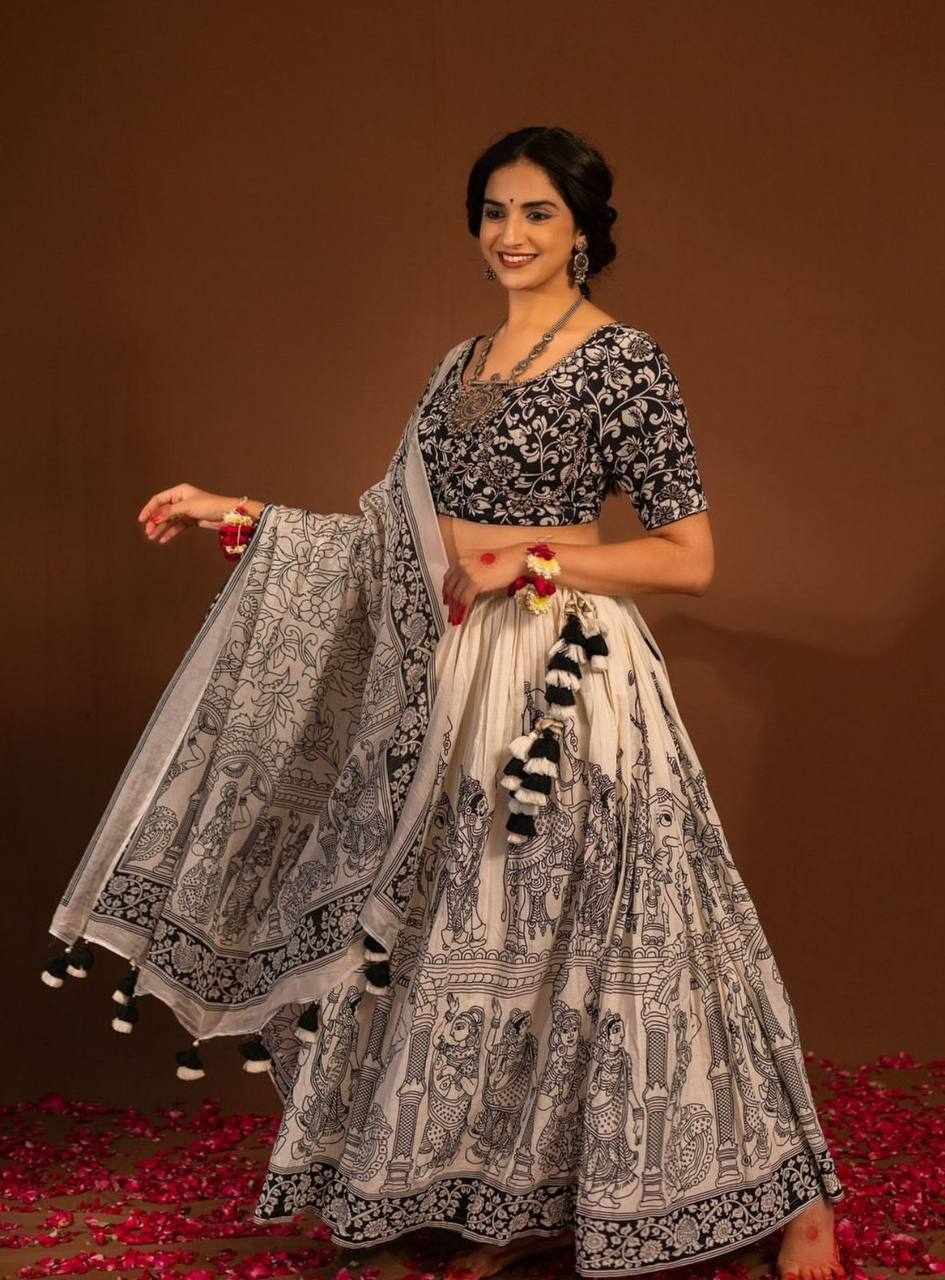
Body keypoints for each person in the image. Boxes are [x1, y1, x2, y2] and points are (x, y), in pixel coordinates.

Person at [43, 126, 845, 1280]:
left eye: (538, 213)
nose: (511, 234)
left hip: (570, 675)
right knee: (485, 942)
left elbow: (690, 557)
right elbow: (391, 542)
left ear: (585, 231)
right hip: (454, 679)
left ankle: (795, 1191)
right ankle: (503, 1202)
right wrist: (249, 515)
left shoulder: (624, 361)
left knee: (647, 926)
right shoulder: (456, 369)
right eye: (495, 211)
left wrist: (537, 559)